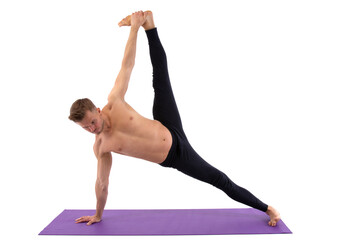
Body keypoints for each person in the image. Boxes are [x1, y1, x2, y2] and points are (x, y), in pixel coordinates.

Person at [70, 11, 281, 227]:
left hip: (166, 123)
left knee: (160, 77)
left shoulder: (115, 101)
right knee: (218, 178)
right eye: (85, 128)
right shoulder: (101, 147)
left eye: (92, 122)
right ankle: (267, 207)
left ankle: (148, 25)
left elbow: (127, 65)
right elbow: (102, 183)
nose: (92, 129)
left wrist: (134, 28)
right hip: (176, 155)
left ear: (97, 110)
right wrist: (98, 214)